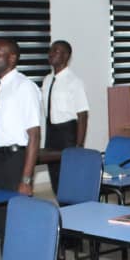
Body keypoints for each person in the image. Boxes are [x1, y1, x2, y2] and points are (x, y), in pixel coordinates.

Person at [0, 38, 41, 241]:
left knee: (16, 219)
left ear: (12, 58)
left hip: (15, 161)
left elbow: (34, 135)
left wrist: (26, 179)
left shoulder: (25, 87)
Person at [40, 40, 88, 194]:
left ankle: (71, 211)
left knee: (67, 178)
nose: (51, 54)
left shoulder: (74, 82)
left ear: (66, 56)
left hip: (67, 133)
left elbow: (82, 114)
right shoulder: (47, 80)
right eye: (50, 50)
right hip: (51, 132)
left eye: (56, 51)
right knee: (54, 175)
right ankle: (61, 210)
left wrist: (79, 145)